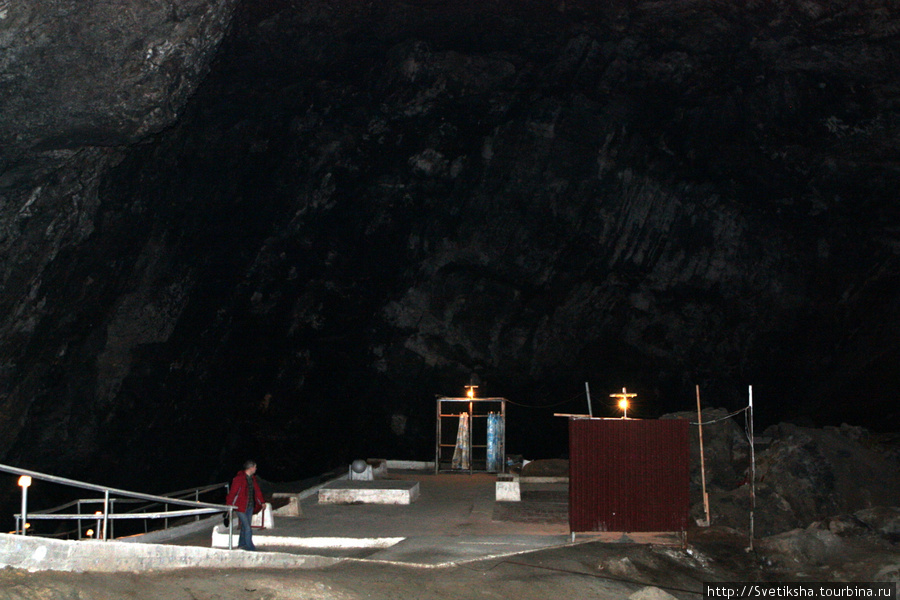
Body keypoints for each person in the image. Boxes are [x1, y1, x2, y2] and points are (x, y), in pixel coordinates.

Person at [225, 460, 265, 551]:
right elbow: (232, 493)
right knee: (247, 527)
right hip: (240, 507)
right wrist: (228, 505)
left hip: (250, 506)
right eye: (255, 467)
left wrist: (262, 502)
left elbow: (257, 491)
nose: (256, 469)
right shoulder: (239, 479)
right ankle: (250, 547)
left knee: (244, 526)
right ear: (250, 468)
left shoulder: (252, 478)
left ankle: (241, 544)